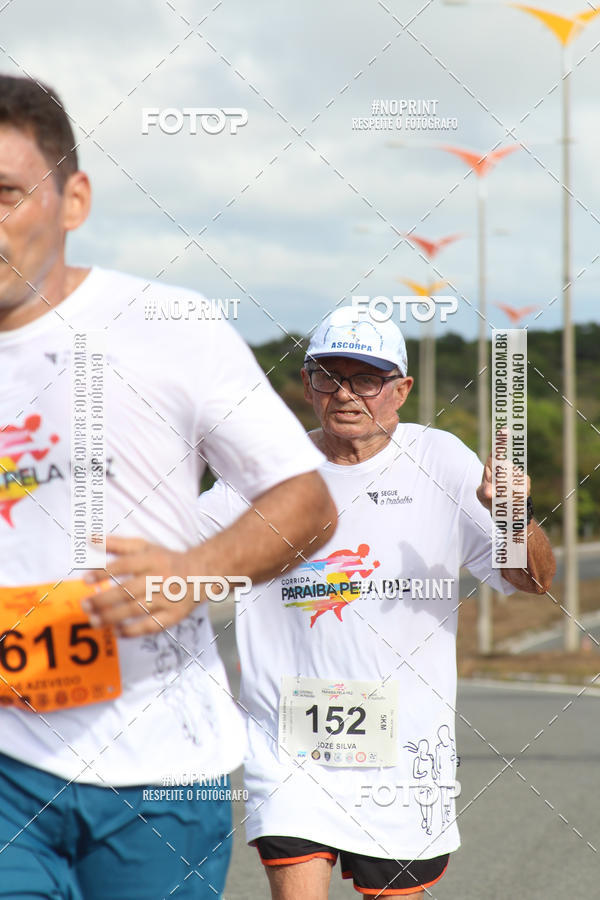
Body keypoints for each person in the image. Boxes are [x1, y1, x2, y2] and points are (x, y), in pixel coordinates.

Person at [0, 74, 336, 900]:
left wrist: (194, 573)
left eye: (5, 193)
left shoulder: (167, 328)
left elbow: (307, 501)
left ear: (73, 199)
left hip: (161, 769)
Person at [195, 306, 556, 898]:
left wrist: (512, 517)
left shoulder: (440, 461)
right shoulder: (265, 469)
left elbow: (531, 581)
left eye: (365, 379)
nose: (344, 394)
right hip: (289, 745)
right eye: (327, 377)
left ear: (401, 389)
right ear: (307, 383)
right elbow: (179, 552)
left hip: (405, 752)